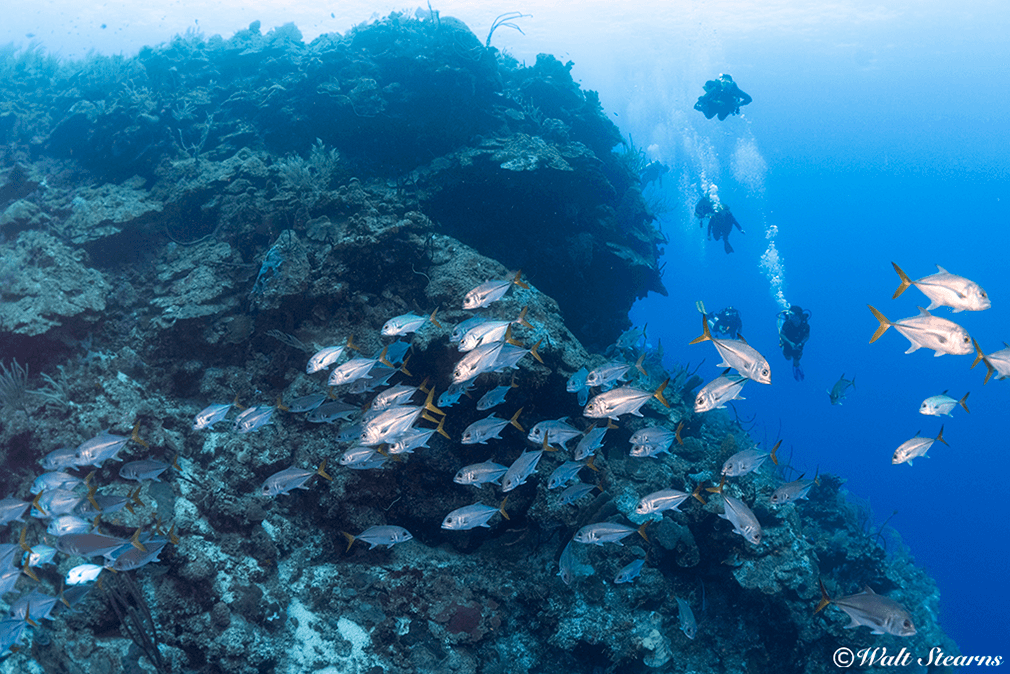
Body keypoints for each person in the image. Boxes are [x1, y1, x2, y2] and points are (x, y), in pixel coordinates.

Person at [777, 305, 811, 381]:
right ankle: (782, 344)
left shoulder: (805, 325)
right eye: (790, 315)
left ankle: (797, 367)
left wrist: (801, 343)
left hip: (798, 343)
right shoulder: (787, 324)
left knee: (796, 359)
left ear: (798, 316)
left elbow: (807, 335)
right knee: (788, 357)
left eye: (792, 315)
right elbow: (782, 334)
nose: (790, 317)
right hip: (788, 341)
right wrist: (789, 342)